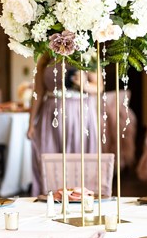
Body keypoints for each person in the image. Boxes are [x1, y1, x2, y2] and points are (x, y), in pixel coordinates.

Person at [27, 53, 99, 195]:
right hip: (50, 114)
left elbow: (99, 88)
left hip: (79, 114)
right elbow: (38, 91)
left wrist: (84, 85)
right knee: (48, 155)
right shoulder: (46, 57)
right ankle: (48, 198)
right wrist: (31, 122)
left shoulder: (87, 55)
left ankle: (79, 197)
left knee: (78, 159)